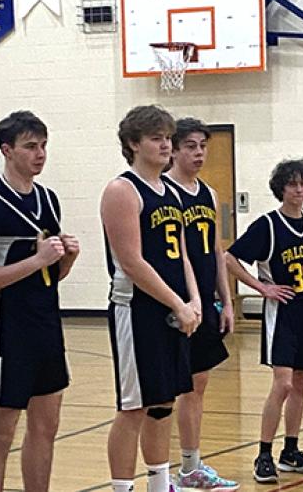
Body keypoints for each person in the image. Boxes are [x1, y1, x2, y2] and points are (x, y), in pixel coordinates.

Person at [0, 111, 80, 492]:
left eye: (44, 145)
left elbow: (50, 277)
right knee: (1, 433)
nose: (40, 154)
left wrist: (67, 259)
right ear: (7, 150)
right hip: (5, 334)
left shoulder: (48, 199)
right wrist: (36, 260)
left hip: (45, 327)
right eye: (31, 146)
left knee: (46, 427)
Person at [101, 105, 201, 492]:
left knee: (163, 404)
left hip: (173, 310)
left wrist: (193, 299)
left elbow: (184, 256)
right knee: (133, 407)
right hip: (136, 310)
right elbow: (131, 261)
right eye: (156, 138)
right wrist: (177, 303)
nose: (165, 144)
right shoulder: (121, 190)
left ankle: (160, 484)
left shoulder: (172, 192)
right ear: (133, 143)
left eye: (166, 137)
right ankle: (122, 488)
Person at [225, 159, 303, 485]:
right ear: (281, 188)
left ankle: (291, 450)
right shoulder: (268, 225)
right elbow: (229, 257)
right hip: (281, 311)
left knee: (301, 383)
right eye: (292, 184)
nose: (299, 190)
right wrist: (262, 288)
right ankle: (264, 453)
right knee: (283, 383)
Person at [164, 118, 238, 491]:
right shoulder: (164, 192)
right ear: (173, 149)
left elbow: (216, 250)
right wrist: (189, 301)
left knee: (198, 386)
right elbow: (182, 258)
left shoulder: (207, 193)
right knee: (166, 393)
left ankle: (190, 466)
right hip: (175, 304)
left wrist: (226, 302)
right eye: (190, 146)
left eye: (202, 146)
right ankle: (160, 473)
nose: (198, 153)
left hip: (204, 302)